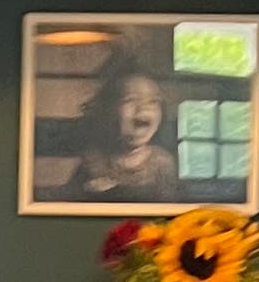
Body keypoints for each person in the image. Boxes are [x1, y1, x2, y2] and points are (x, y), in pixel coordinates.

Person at [52, 45, 179, 202]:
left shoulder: (162, 163)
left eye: (153, 101)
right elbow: (69, 200)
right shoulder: (94, 160)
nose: (143, 107)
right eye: (130, 100)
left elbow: (169, 207)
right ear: (108, 111)